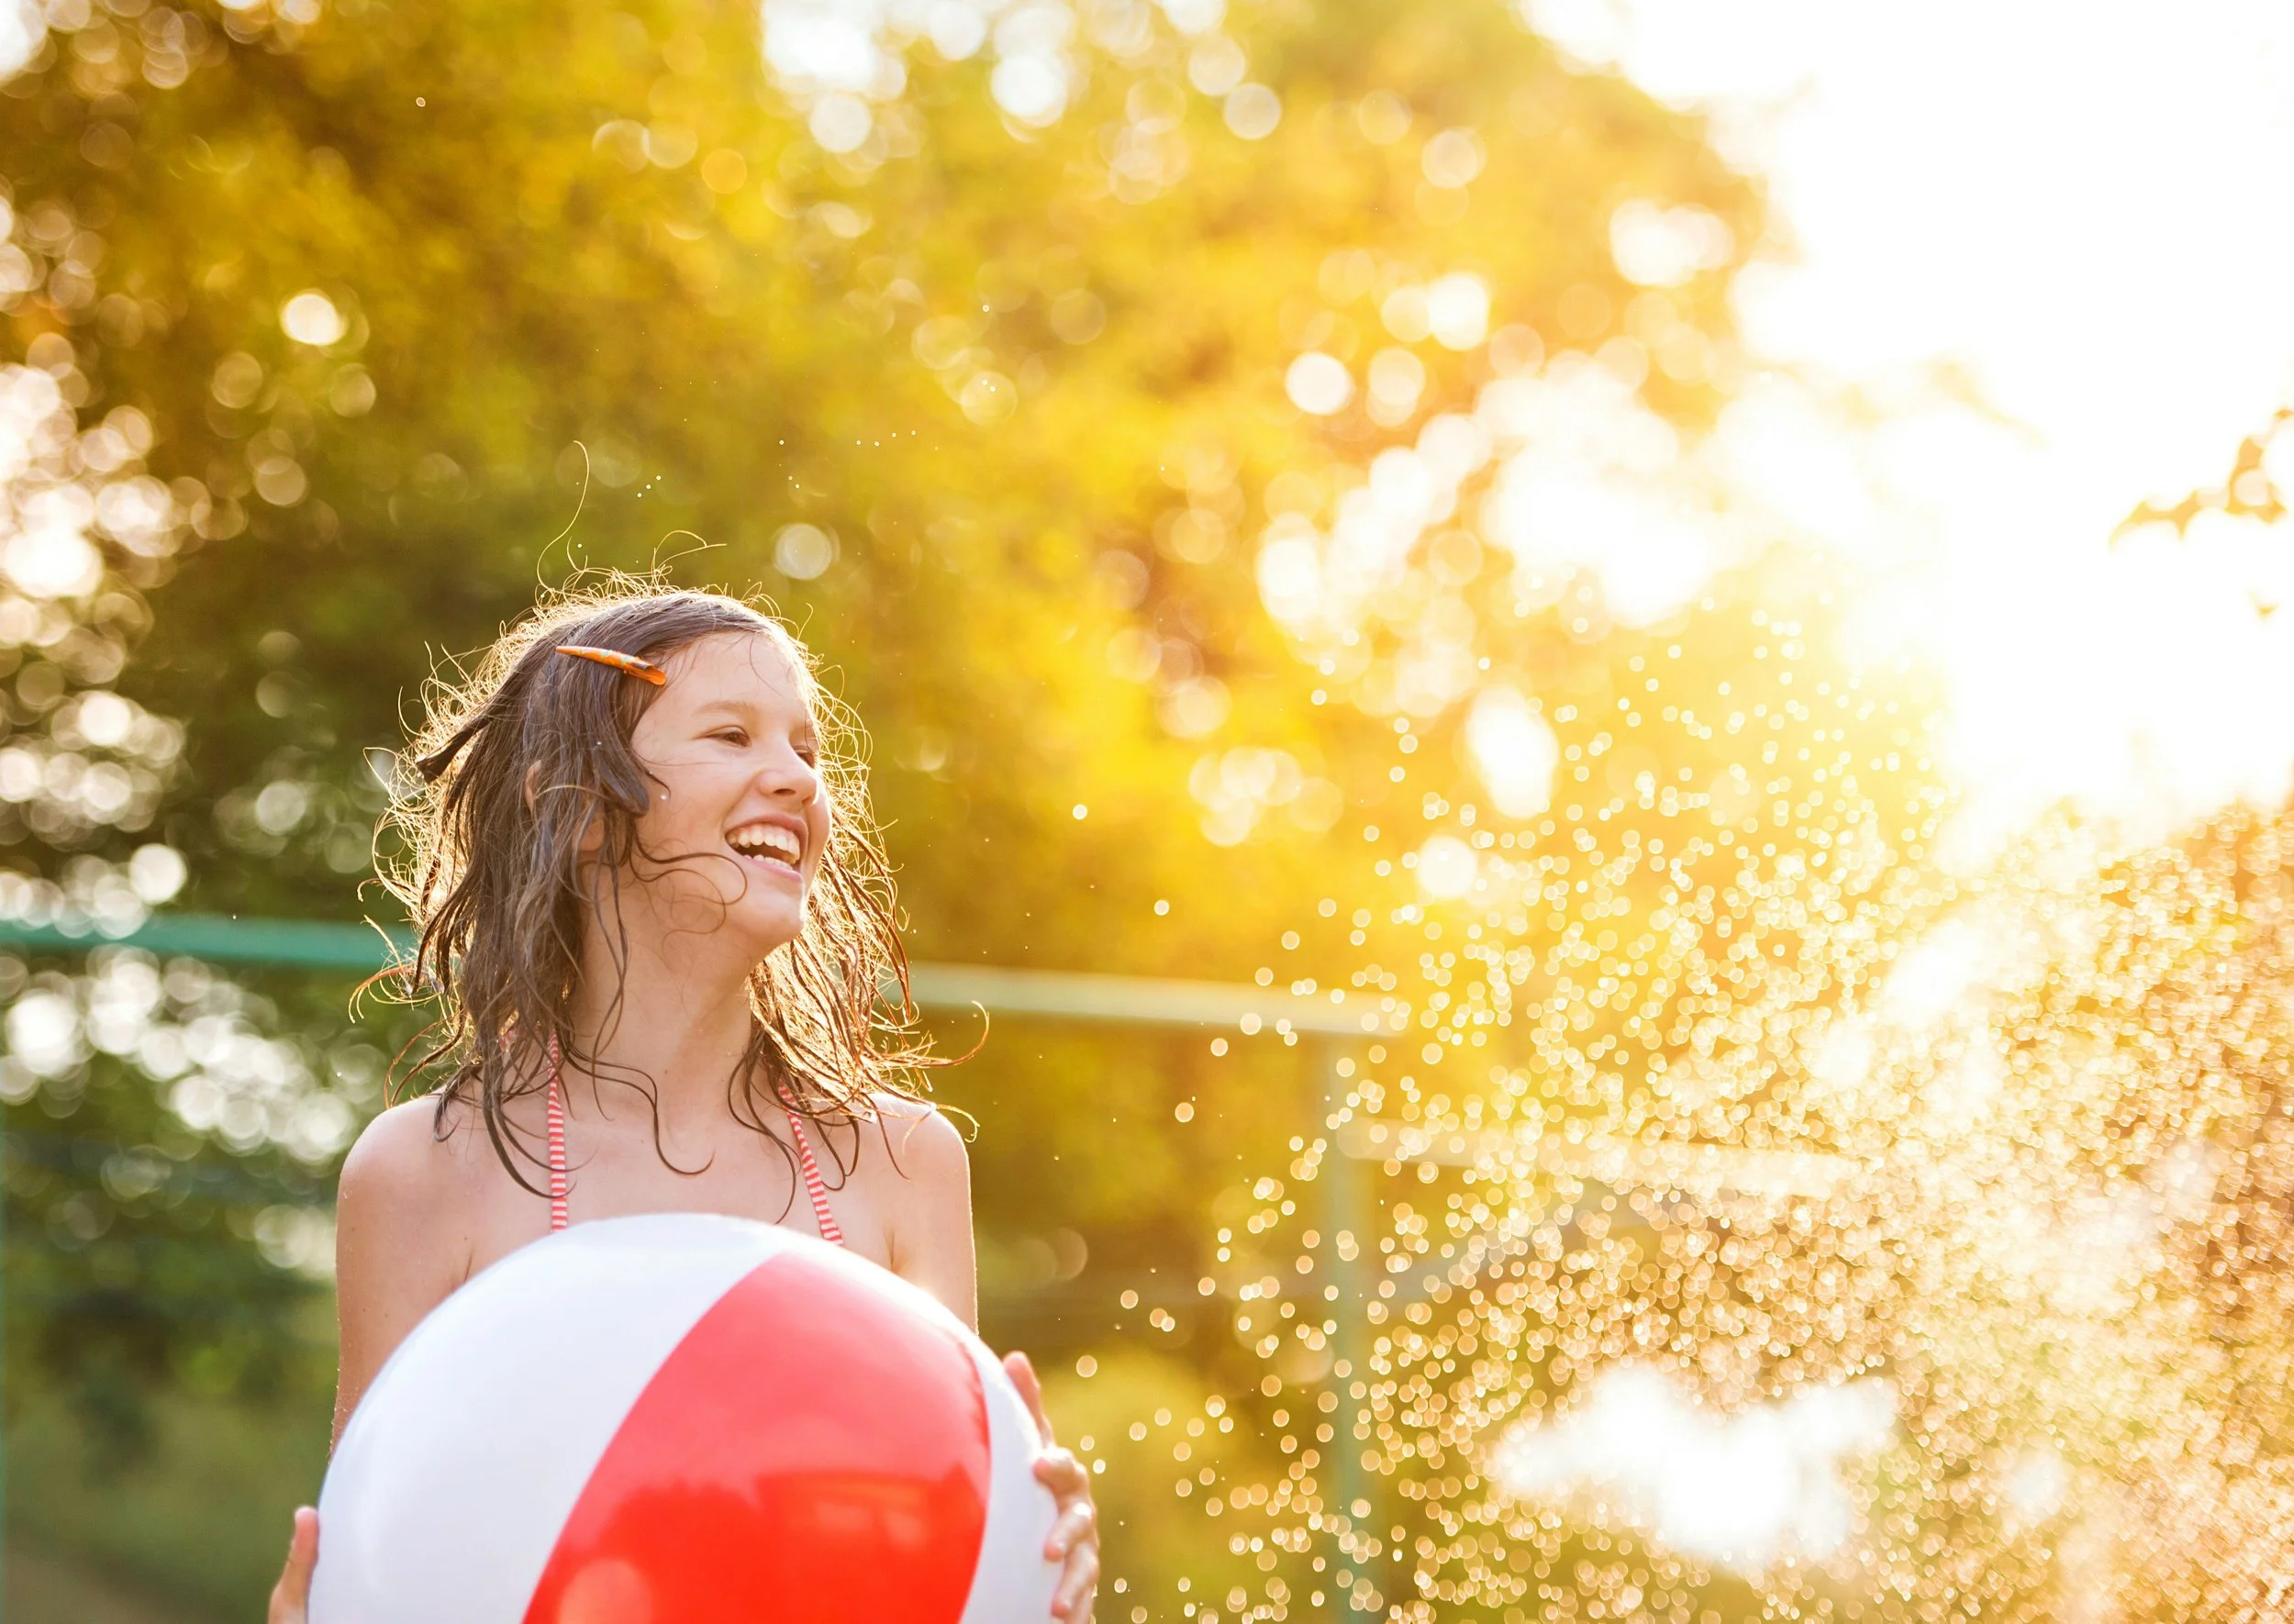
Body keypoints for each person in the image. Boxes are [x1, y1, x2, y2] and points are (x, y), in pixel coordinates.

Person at [267, 583, 1098, 1620]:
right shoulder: (426, 1174)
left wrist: (1030, 1564)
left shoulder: (901, 1162)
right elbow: (388, 1557)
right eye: (731, 734)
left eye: (805, 748)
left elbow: (934, 1530)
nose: (793, 777)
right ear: (573, 812)